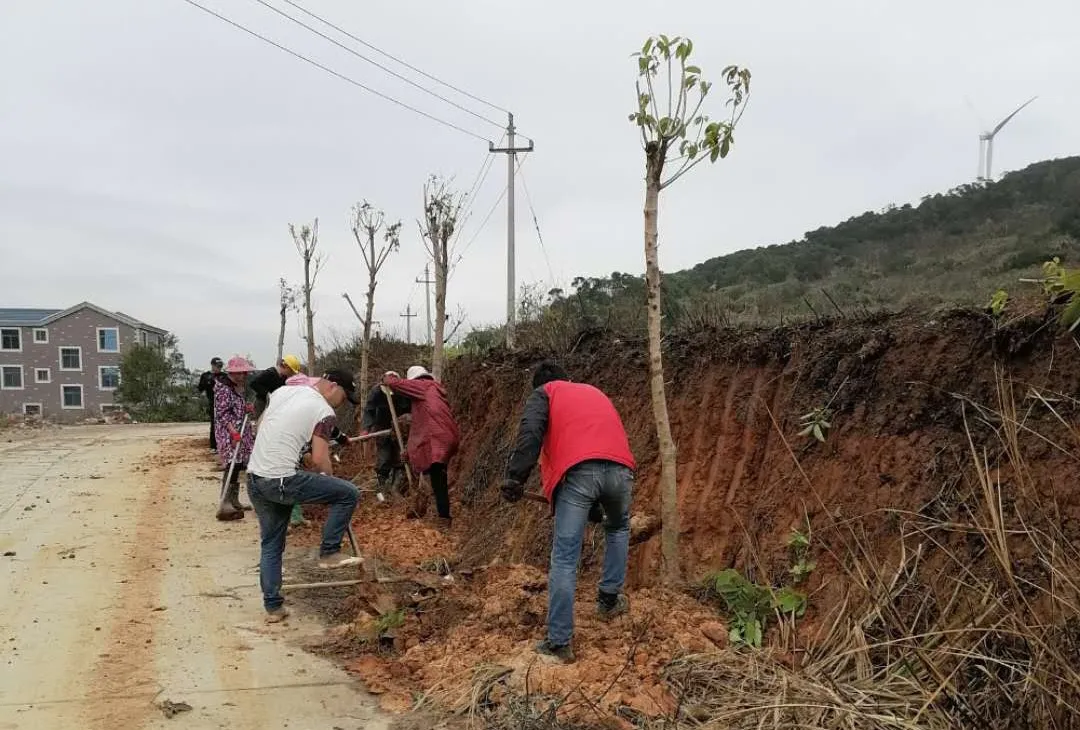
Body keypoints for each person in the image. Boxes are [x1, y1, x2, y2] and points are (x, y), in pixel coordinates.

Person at [501, 360, 636, 664]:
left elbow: (531, 432)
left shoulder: (545, 393)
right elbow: (598, 441)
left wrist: (515, 476)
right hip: (621, 469)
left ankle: (559, 642)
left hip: (578, 472)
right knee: (617, 529)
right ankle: (609, 600)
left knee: (564, 556)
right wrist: (595, 505)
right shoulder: (592, 392)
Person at [246, 369, 363, 623]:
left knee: (272, 544)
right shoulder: (324, 411)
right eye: (344, 396)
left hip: (256, 477)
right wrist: (329, 477)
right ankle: (329, 552)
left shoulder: (283, 392)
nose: (343, 403)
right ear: (332, 386)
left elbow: (262, 427)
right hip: (282, 480)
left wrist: (299, 454)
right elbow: (321, 458)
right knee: (348, 494)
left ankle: (273, 607)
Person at [382, 366, 460, 528]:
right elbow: (421, 430)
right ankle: (433, 511)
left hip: (437, 438)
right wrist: (409, 454)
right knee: (436, 474)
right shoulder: (434, 393)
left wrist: (388, 377)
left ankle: (443, 519)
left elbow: (393, 383)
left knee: (436, 476)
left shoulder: (423, 386)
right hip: (446, 437)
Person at [214, 356, 257, 521]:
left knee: (239, 464)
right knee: (232, 463)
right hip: (229, 432)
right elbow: (223, 414)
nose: (244, 375)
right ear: (233, 372)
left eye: (245, 372)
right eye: (241, 372)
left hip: (241, 429)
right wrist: (233, 432)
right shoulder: (223, 388)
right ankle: (225, 501)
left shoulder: (239, 387)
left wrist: (246, 407)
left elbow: (237, 406)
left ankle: (235, 500)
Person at [359, 371, 412, 493]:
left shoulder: (404, 391)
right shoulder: (376, 392)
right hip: (382, 427)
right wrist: (366, 428)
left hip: (401, 429)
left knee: (401, 456)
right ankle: (382, 487)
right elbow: (369, 410)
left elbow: (411, 411)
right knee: (384, 457)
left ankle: (396, 488)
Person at [250, 354, 302, 419]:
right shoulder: (269, 373)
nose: (291, 374)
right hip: (262, 404)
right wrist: (267, 394)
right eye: (291, 371)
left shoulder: (284, 377)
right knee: (261, 424)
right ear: (286, 366)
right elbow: (253, 383)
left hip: (273, 404)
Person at [197, 357, 225, 451]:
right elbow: (200, 388)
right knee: (214, 424)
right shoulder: (206, 375)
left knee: (225, 423)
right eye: (217, 366)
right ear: (212, 365)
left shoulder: (224, 376)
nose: (219, 368)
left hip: (224, 402)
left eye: (220, 366)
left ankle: (224, 443)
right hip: (212, 402)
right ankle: (214, 445)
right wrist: (207, 382)